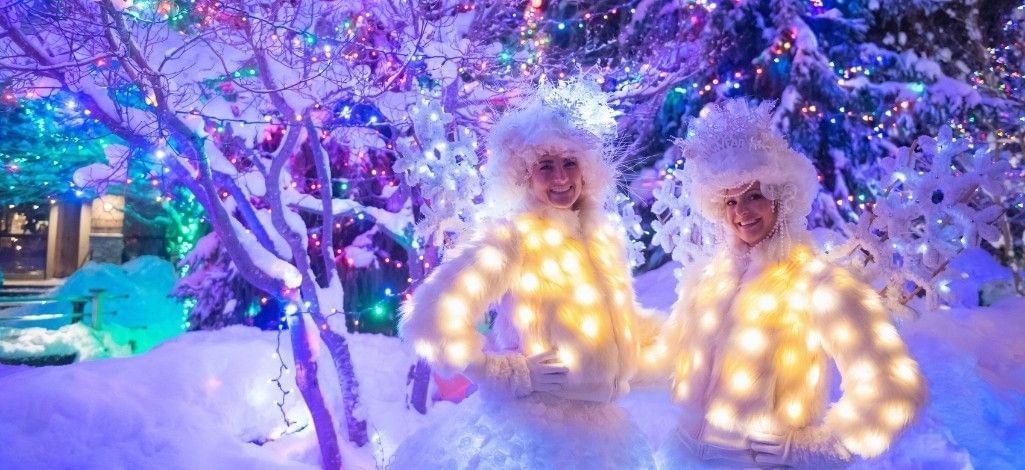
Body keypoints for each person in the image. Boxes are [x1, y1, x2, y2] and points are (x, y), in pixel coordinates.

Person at [390, 80, 661, 469]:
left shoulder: (601, 241)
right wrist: (509, 372)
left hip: (604, 440)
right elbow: (428, 321)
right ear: (523, 175)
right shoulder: (511, 238)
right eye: (544, 167)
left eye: (570, 163)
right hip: (535, 440)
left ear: (587, 168)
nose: (560, 178)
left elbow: (617, 330)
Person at [657, 99, 926, 468]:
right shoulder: (709, 282)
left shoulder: (819, 283)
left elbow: (893, 386)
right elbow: (663, 357)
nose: (743, 212)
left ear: (780, 198)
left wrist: (817, 446)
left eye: (754, 195)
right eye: (731, 201)